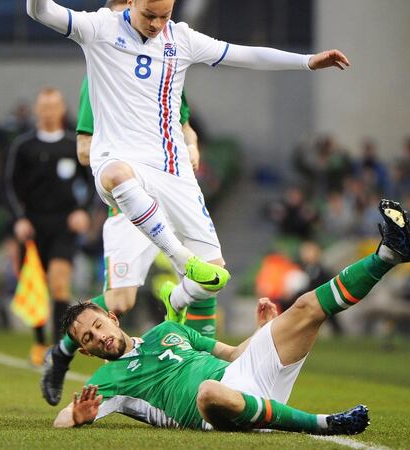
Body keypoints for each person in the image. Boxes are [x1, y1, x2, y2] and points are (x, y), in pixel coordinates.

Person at [25, 0, 348, 353]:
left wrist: (307, 61)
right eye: (149, 15)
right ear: (131, 2)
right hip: (118, 161)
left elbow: (244, 54)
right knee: (117, 176)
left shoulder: (181, 39)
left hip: (172, 171)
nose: (156, 24)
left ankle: (175, 299)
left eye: (164, 16)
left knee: (215, 276)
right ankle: (180, 258)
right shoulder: (99, 28)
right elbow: (40, 11)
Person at [52, 199, 410, 433]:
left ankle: (390, 254)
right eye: (88, 339)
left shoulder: (166, 331)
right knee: (209, 391)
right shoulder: (107, 381)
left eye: (97, 325)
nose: (98, 336)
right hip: (216, 410)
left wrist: (262, 331)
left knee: (306, 307)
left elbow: (233, 355)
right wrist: (78, 417)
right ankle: (322, 423)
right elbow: (61, 419)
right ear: (86, 351)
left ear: (112, 318)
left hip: (246, 375)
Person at [41, 0, 215, 407]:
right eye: (141, 18)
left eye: (159, 19)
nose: (149, 29)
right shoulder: (104, 69)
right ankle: (63, 351)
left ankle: (211, 367)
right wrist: (131, 169)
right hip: (133, 202)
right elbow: (85, 149)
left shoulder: (165, 62)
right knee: (121, 301)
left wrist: (189, 145)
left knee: (208, 270)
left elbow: (183, 122)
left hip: (173, 192)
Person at [4, 87, 93, 365]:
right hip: (32, 224)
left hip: (63, 223)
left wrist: (82, 211)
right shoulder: (24, 146)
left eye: (53, 106)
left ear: (62, 109)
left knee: (59, 283)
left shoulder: (72, 144)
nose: (49, 112)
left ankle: (57, 347)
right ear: (36, 110)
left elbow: (92, 181)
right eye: (44, 107)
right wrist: (19, 218)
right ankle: (39, 342)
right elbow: (8, 186)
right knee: (36, 286)